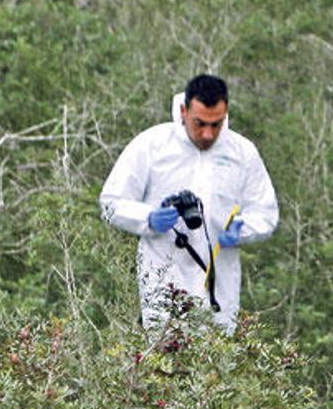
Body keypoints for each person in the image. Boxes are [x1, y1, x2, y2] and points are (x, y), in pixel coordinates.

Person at [99, 74, 279, 334]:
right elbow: (110, 203)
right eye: (200, 123)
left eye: (216, 124)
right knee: (165, 363)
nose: (208, 134)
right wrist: (148, 218)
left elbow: (266, 213)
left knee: (216, 366)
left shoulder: (242, 152)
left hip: (220, 284)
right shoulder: (152, 145)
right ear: (184, 110)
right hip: (163, 280)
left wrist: (244, 229)